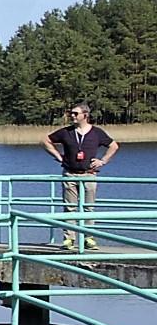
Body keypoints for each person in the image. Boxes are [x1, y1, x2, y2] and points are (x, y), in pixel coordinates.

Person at [42, 103, 119, 250]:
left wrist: (102, 161)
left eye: (75, 113)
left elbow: (114, 146)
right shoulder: (66, 132)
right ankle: (69, 239)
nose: (72, 116)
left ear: (85, 115)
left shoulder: (96, 133)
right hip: (70, 174)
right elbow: (45, 140)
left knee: (88, 208)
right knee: (69, 208)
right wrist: (58, 156)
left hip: (89, 174)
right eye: (71, 113)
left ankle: (88, 238)